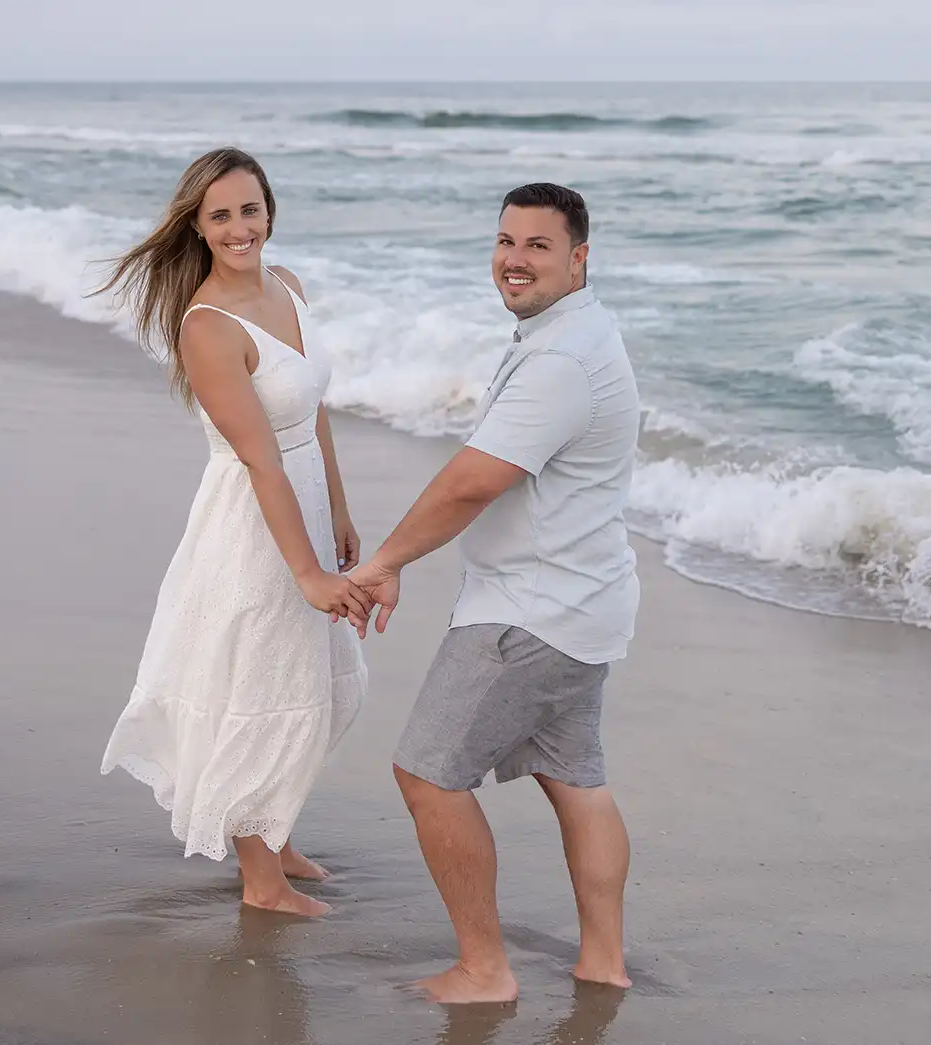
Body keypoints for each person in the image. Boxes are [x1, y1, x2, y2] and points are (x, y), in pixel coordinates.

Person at [349, 183, 641, 1001]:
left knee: (427, 774)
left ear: (579, 258)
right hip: (584, 601)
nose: (514, 259)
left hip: (528, 614)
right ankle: (602, 962)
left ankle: (484, 968)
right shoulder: (576, 332)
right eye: (505, 241)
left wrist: (385, 562)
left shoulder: (558, 360)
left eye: (537, 245)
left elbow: (472, 481)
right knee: (575, 781)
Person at [96, 147, 371, 918]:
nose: (239, 227)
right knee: (260, 684)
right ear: (198, 226)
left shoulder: (289, 286)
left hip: (303, 500)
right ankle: (261, 881)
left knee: (307, 682)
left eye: (250, 209)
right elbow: (260, 460)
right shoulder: (208, 326)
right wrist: (307, 573)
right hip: (253, 522)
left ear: (269, 211)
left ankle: (275, 836)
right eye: (220, 215)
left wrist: (338, 510)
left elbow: (311, 410)